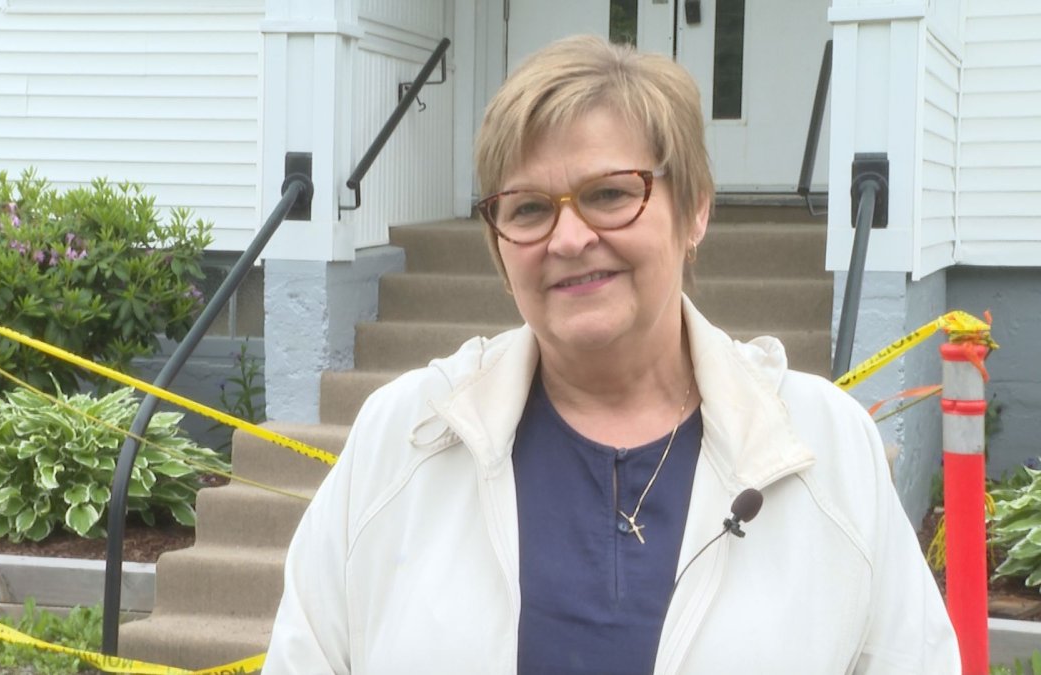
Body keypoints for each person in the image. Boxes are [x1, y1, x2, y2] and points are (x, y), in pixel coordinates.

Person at [264, 35, 959, 674]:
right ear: (499, 243)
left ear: (694, 210)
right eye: (529, 208)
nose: (569, 237)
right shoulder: (404, 440)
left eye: (609, 194)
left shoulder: (827, 453)